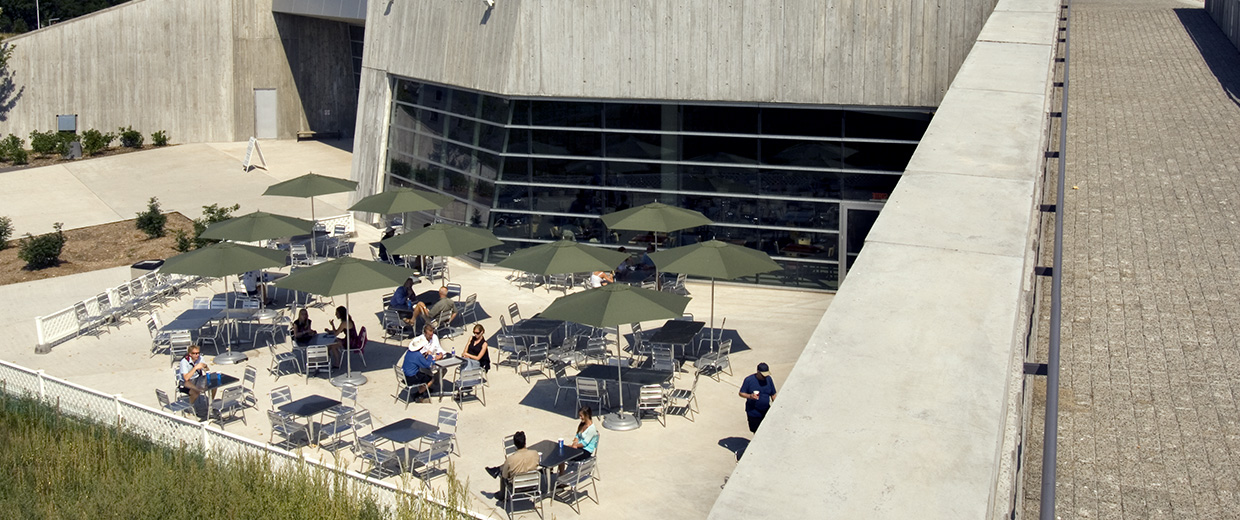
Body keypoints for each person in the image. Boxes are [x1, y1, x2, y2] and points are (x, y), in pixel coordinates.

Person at [486, 431, 541, 498]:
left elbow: (505, 475)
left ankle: (501, 495)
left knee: (503, 473)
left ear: (514, 444)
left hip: (516, 487)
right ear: (525, 442)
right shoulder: (535, 454)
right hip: (532, 485)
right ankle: (496, 470)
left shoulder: (511, 459)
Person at [738, 362, 778, 433]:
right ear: (758, 372)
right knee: (756, 431)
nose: (765, 377)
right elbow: (741, 393)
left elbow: (773, 394)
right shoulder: (749, 380)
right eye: (763, 375)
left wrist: (776, 406)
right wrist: (750, 396)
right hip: (753, 412)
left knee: (767, 430)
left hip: (766, 411)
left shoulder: (769, 379)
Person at [175, 345, 216, 413]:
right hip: (185, 382)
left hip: (198, 378)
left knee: (214, 385)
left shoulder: (200, 358)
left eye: (198, 353)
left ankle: (211, 404)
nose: (197, 355)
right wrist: (195, 368)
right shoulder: (184, 362)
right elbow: (186, 378)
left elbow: (207, 370)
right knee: (196, 391)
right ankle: (190, 406)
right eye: (195, 353)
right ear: (190, 354)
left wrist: (205, 366)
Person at [559, 405, 599, 473]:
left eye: (581, 416)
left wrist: (574, 446)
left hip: (586, 451)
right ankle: (561, 473)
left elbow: (584, 443)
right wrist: (574, 443)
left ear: (587, 415)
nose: (580, 418)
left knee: (562, 455)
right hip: (578, 448)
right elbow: (577, 435)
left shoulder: (592, 429)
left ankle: (561, 474)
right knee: (560, 452)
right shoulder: (582, 424)